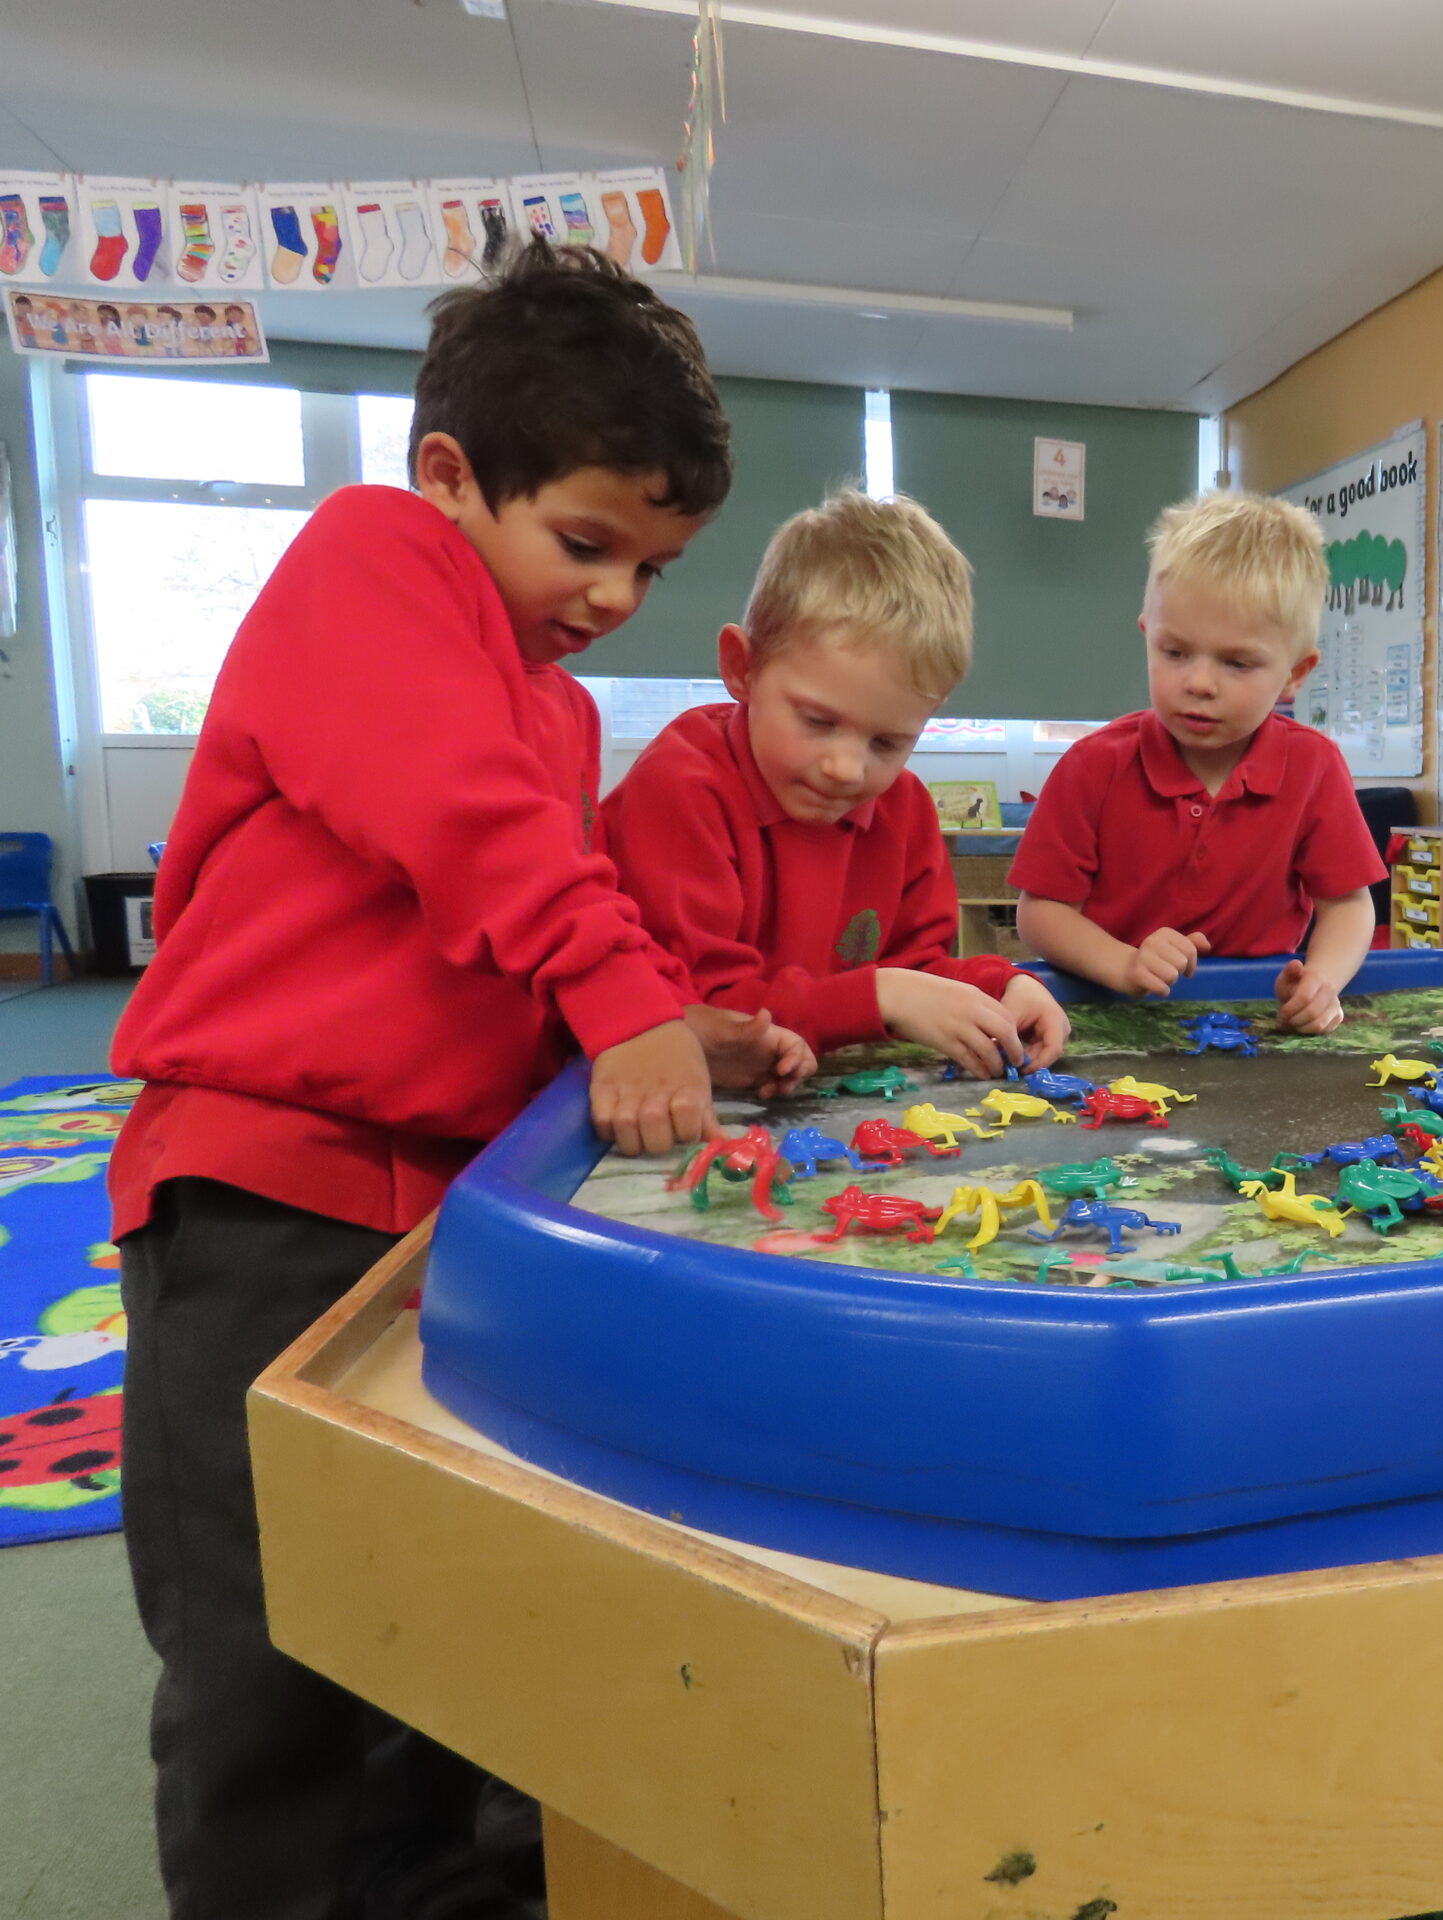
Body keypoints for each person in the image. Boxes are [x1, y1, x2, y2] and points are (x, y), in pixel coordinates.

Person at [108, 240, 810, 1920]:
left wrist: (651, 1021)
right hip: (262, 1199)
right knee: (270, 1658)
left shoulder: (556, 716)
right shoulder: (372, 562)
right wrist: (618, 991)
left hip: (442, 1214)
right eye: (587, 544)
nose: (616, 598)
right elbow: (453, 817)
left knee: (437, 1624)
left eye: (656, 566)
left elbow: (501, 938)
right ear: (449, 479)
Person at [603, 488, 1071, 1076]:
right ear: (741, 668)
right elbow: (696, 1013)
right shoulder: (680, 790)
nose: (848, 769)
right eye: (818, 721)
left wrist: (999, 984)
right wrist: (879, 997)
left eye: (887, 742)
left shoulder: (903, 810)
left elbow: (917, 972)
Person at [1010, 492, 1386, 1033]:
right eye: (1175, 652)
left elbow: (1348, 906)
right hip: (1108, 1012)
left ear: (1295, 674)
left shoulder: (1313, 766)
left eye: (1236, 663)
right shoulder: (1093, 766)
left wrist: (1322, 981)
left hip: (1256, 1019)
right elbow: (1040, 913)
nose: (1199, 683)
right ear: (1148, 636)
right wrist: (1124, 963)